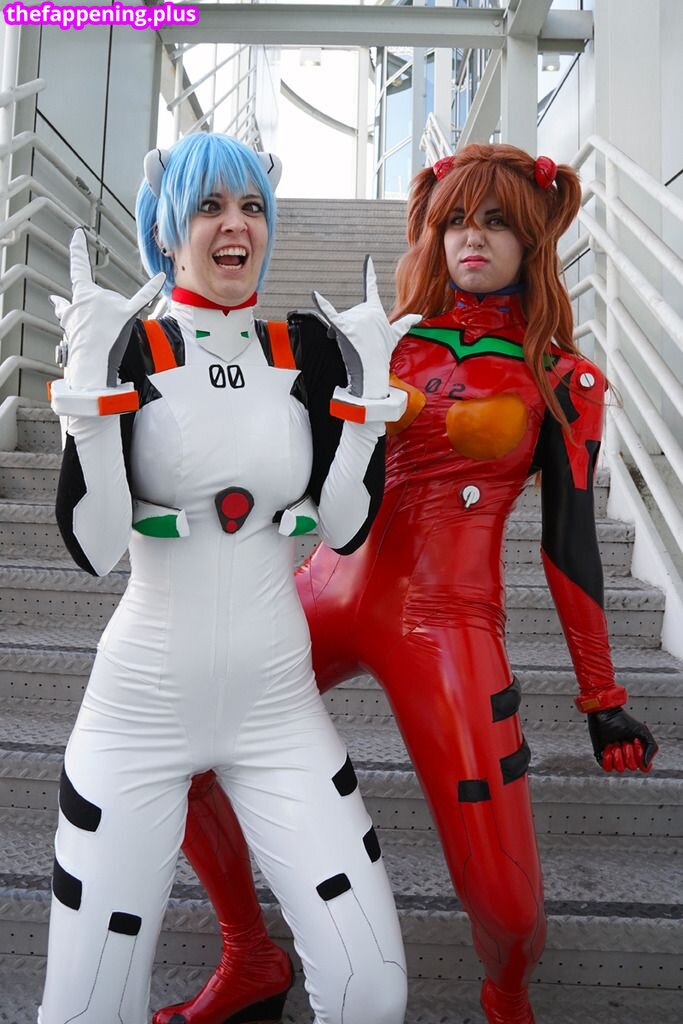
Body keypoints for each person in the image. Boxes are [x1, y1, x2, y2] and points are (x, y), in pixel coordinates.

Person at [152, 142, 659, 1024]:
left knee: (508, 907)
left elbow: (570, 543)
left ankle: (505, 993)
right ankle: (252, 955)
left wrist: (601, 697)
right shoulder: (381, 341)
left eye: (496, 221)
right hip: (325, 587)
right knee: (172, 755)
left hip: (449, 625)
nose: (472, 237)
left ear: (532, 238)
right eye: (455, 219)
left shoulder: (563, 379)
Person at [40, 131, 421, 1024]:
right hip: (137, 711)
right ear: (167, 229)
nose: (234, 225)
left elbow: (345, 527)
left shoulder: (308, 350)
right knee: (86, 1009)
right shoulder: (128, 347)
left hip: (277, 709)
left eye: (251, 205)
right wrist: (88, 388)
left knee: (371, 990)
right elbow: (95, 547)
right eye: (208, 206)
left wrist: (366, 399)